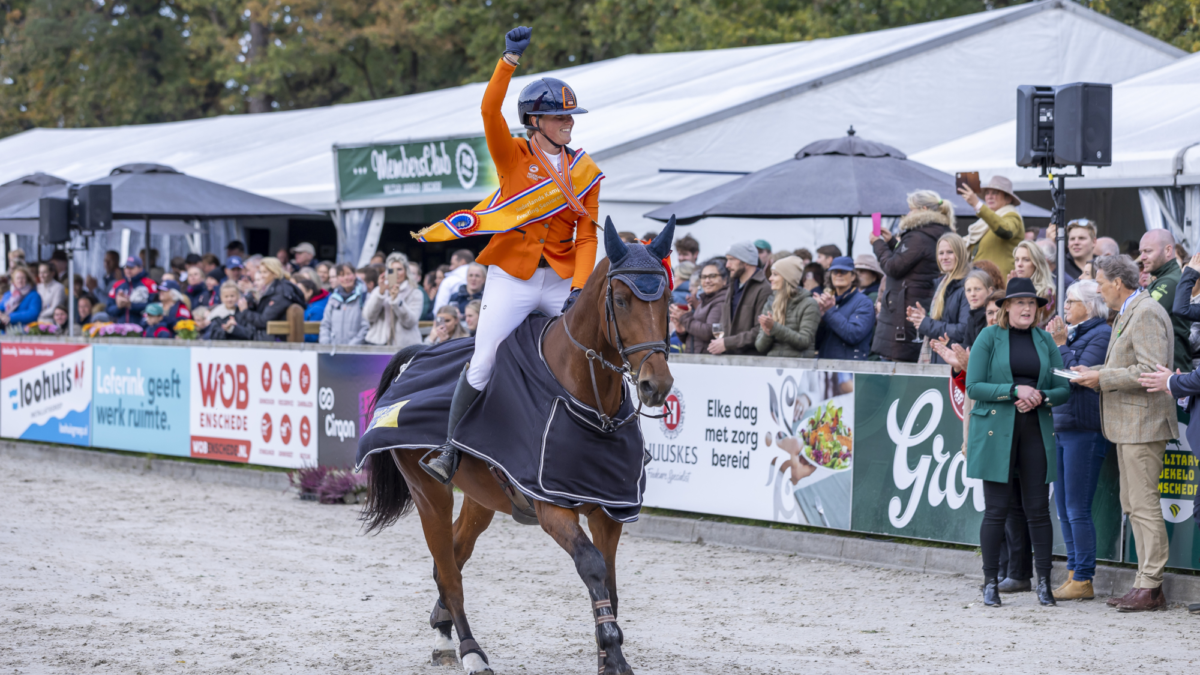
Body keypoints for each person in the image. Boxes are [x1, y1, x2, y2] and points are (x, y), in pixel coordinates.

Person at [419, 26, 605, 485]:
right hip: (514, 277)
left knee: (596, 348)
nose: (570, 123)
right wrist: (508, 61)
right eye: (561, 117)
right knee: (483, 360)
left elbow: (586, 237)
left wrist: (580, 286)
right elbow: (488, 109)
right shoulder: (513, 156)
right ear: (535, 121)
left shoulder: (586, 172)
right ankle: (451, 449)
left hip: (562, 277)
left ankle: (599, 444)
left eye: (571, 117)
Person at [1072, 254, 1175, 612]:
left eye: (1100, 283)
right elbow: (1125, 366)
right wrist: (1096, 370)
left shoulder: (1145, 312)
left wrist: (1101, 377)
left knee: (1143, 505)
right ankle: (1146, 584)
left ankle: (1150, 584)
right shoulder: (1132, 311)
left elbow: (1149, 371)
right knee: (1134, 504)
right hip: (1131, 424)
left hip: (1143, 423)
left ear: (1118, 282)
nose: (1098, 290)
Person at [965, 277, 1070, 607]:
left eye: (1032, 303)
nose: (1027, 308)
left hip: (1035, 430)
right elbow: (974, 387)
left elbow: (1064, 388)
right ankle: (989, 582)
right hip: (997, 433)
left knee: (1038, 511)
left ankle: (1043, 584)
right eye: (1020, 302)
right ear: (1006, 306)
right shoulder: (988, 337)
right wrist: (1013, 391)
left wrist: (1039, 396)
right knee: (996, 511)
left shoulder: (1045, 340)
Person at [1043, 280, 1112, 601]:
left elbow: (1078, 377)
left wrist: (1059, 344)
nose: (1065, 307)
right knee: (1063, 507)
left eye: (1071, 302)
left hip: (1085, 428)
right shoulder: (1075, 333)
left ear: (1090, 305)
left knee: (1077, 508)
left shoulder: (1101, 334)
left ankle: (1083, 576)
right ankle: (1074, 573)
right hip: (1063, 423)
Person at [870, 189, 952, 362]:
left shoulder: (919, 236)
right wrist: (892, 242)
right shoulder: (936, 232)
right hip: (919, 303)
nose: (907, 213)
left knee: (897, 374)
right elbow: (912, 261)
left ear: (922, 209)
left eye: (911, 209)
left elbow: (893, 267)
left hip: (904, 312)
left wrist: (878, 244)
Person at [909, 232, 969, 362]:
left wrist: (926, 324)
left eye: (950, 252)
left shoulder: (968, 286)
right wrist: (923, 316)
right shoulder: (942, 283)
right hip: (940, 357)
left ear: (960, 253)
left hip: (954, 362)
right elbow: (946, 319)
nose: (944, 257)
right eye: (941, 253)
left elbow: (964, 329)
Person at [1138, 229, 1191, 373]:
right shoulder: (1162, 278)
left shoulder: (1170, 282)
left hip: (1173, 374)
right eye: (1141, 251)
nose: (1142, 257)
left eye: (1148, 251)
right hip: (1167, 371)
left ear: (1168, 250)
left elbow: (1138, 316)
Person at [710, 241, 771, 356]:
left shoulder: (764, 289)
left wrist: (727, 343)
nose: (727, 265)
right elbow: (724, 323)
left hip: (751, 362)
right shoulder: (732, 285)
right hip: (728, 359)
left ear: (746, 260)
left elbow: (760, 330)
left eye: (731, 259)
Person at [959, 175, 1025, 276]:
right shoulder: (986, 221)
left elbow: (1006, 231)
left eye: (995, 193)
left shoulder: (1012, 216)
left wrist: (978, 205)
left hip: (1000, 285)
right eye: (987, 193)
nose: (989, 196)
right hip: (982, 282)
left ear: (1008, 199)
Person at [754, 256, 819, 358]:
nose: (770, 278)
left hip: (799, 370)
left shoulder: (809, 304)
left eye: (775, 275)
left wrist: (774, 327)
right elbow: (759, 347)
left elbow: (804, 342)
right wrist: (767, 334)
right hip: (774, 369)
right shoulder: (770, 303)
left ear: (787, 278)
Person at [815, 256, 875, 360]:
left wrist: (829, 310)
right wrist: (820, 319)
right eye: (834, 271)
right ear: (830, 276)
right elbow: (816, 343)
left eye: (843, 271)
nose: (839, 274)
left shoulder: (864, 302)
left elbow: (853, 335)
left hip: (850, 370)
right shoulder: (827, 301)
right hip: (826, 368)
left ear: (853, 276)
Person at [234, 257, 306, 342]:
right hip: (269, 339)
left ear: (275, 273)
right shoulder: (271, 289)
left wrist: (245, 311)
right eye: (261, 272)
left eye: (265, 272)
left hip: (277, 342)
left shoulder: (281, 292)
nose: (261, 275)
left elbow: (264, 321)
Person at [364, 252, 424, 348]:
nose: (396, 273)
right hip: (379, 344)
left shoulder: (415, 293)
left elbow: (410, 322)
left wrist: (397, 300)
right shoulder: (379, 290)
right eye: (392, 270)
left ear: (406, 271)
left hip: (405, 346)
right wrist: (380, 294)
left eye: (399, 269)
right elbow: (369, 317)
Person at [674, 258, 729, 354]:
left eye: (712, 276)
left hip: (708, 364)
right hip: (697, 361)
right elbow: (695, 340)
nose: (707, 281)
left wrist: (685, 317)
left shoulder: (721, 301)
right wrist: (681, 330)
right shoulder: (705, 300)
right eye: (703, 277)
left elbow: (709, 332)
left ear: (725, 280)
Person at [319, 263, 370, 346]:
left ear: (354, 275)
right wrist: (326, 344)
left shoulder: (364, 297)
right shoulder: (333, 298)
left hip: (357, 351)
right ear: (338, 278)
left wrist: (351, 347)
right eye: (341, 275)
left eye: (348, 274)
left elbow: (366, 326)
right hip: (334, 352)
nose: (346, 278)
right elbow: (325, 324)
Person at [1012, 240, 1056, 324]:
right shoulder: (1013, 288)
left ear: (1037, 263)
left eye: (1026, 260)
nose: (1019, 264)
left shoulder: (1047, 293)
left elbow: (1029, 325)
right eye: (1017, 260)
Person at [106, 256, 158, 325]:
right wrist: (118, 306)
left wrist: (131, 305)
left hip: (142, 328)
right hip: (121, 328)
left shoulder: (149, 284)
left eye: (131, 267)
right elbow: (108, 309)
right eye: (126, 267)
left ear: (140, 268)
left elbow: (155, 307)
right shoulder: (117, 285)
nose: (128, 270)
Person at [0, 266, 41, 332]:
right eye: (17, 278)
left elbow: (33, 314)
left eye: (23, 278)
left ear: (28, 279)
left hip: (25, 331)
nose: (20, 280)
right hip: (5, 331)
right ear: (13, 280)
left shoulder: (34, 295)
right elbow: (1, 307)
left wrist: (10, 317)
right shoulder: (8, 294)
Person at [294, 278, 329, 343]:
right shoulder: (308, 304)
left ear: (309, 292)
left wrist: (296, 338)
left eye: (300, 290)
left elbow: (312, 336)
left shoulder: (317, 309)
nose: (297, 294)